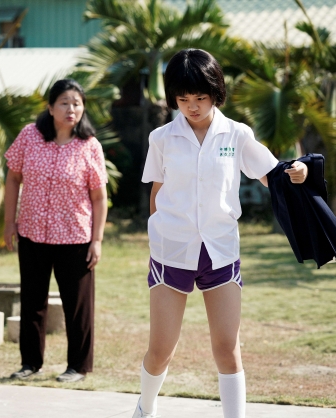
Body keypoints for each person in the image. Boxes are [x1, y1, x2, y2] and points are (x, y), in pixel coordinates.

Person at [133, 49, 308, 418]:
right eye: (183, 98)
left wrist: (300, 172)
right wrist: (158, 239)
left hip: (221, 251)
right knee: (162, 349)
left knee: (227, 348)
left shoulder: (237, 134)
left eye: (200, 97)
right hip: (171, 252)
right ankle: (145, 409)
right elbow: (157, 193)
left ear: (216, 92)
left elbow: (273, 173)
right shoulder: (162, 138)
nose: (192, 106)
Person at [3, 79, 108, 383]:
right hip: (32, 232)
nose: (70, 109)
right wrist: (10, 222)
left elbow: (99, 198)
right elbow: (13, 179)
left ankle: (78, 366)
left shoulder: (90, 146)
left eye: (76, 103)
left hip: (75, 237)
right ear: (50, 108)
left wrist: (97, 240)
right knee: (32, 301)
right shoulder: (30, 136)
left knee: (77, 306)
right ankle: (30, 363)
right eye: (64, 102)